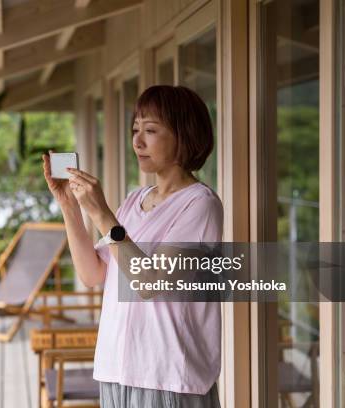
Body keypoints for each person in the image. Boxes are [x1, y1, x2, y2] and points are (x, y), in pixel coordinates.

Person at [42, 85, 223, 408]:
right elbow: (92, 274)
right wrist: (70, 206)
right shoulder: (133, 202)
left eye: (151, 130)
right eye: (135, 129)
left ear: (185, 136)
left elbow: (149, 282)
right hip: (116, 368)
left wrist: (101, 213)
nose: (137, 141)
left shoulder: (200, 205)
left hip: (167, 375)